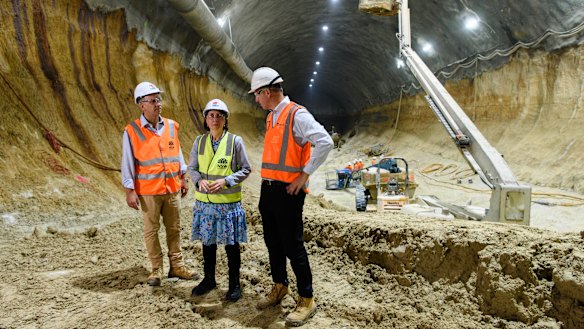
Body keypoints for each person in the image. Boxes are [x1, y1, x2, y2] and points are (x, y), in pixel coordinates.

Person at [249, 67, 333, 326]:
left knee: (293, 246)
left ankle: (306, 299)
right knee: (273, 242)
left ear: (266, 92)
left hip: (289, 191)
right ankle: (280, 286)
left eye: (257, 94)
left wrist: (304, 175)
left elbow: (325, 141)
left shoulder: (297, 114)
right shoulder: (272, 117)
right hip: (269, 189)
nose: (255, 99)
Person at [121, 81, 197, 287]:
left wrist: (183, 177)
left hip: (172, 188)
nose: (158, 104)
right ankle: (156, 269)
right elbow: (127, 162)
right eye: (152, 100)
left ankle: (177, 266)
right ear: (141, 105)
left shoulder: (171, 126)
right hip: (149, 192)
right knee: (151, 231)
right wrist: (130, 190)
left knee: (174, 228)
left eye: (159, 99)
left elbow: (177, 153)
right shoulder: (132, 131)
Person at [188, 99, 251, 301]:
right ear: (206, 119)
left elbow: (246, 169)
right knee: (208, 244)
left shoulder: (235, 142)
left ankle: (234, 284)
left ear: (225, 119)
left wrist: (227, 180)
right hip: (205, 206)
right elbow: (192, 168)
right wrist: (199, 181)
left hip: (228, 206)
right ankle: (209, 279)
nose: (215, 119)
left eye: (219, 115)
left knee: (231, 246)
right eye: (211, 115)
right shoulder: (199, 142)